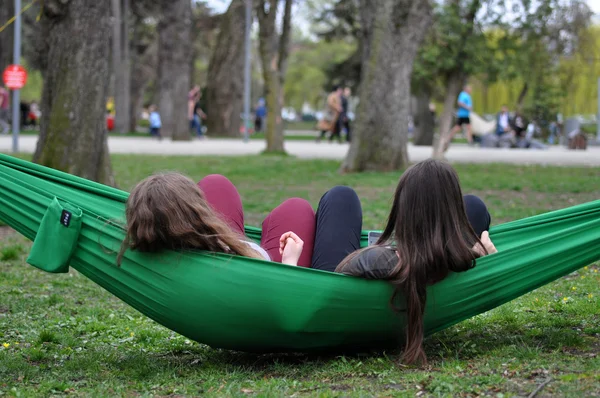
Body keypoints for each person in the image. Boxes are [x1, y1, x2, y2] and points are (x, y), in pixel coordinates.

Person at [311, 159, 497, 365]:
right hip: (442, 259)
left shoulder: (377, 260)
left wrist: (386, 250)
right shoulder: (463, 258)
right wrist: (484, 259)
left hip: (335, 304)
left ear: (403, 209)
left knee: (341, 196)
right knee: (474, 205)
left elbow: (342, 269)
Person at [118, 173, 316, 268]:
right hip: (273, 269)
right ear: (196, 212)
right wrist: (290, 260)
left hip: (216, 244)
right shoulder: (228, 267)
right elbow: (279, 299)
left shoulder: (157, 250)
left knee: (215, 183)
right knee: (296, 207)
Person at [445, 85, 474, 149]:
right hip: (463, 114)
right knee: (458, 127)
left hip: (466, 114)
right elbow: (460, 103)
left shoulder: (467, 95)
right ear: (466, 89)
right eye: (470, 89)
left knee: (467, 127)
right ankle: (448, 138)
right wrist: (467, 107)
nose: (471, 90)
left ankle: (470, 141)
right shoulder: (463, 95)